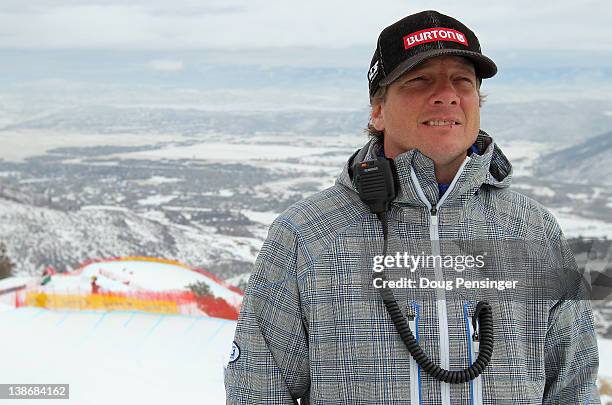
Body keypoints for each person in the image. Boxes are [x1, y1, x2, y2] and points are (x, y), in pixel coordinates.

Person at [225, 10, 600, 404]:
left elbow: (573, 386)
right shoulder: (306, 236)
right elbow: (258, 389)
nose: (447, 94)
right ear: (378, 110)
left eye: (462, 80)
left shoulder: (534, 229)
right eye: (419, 79)